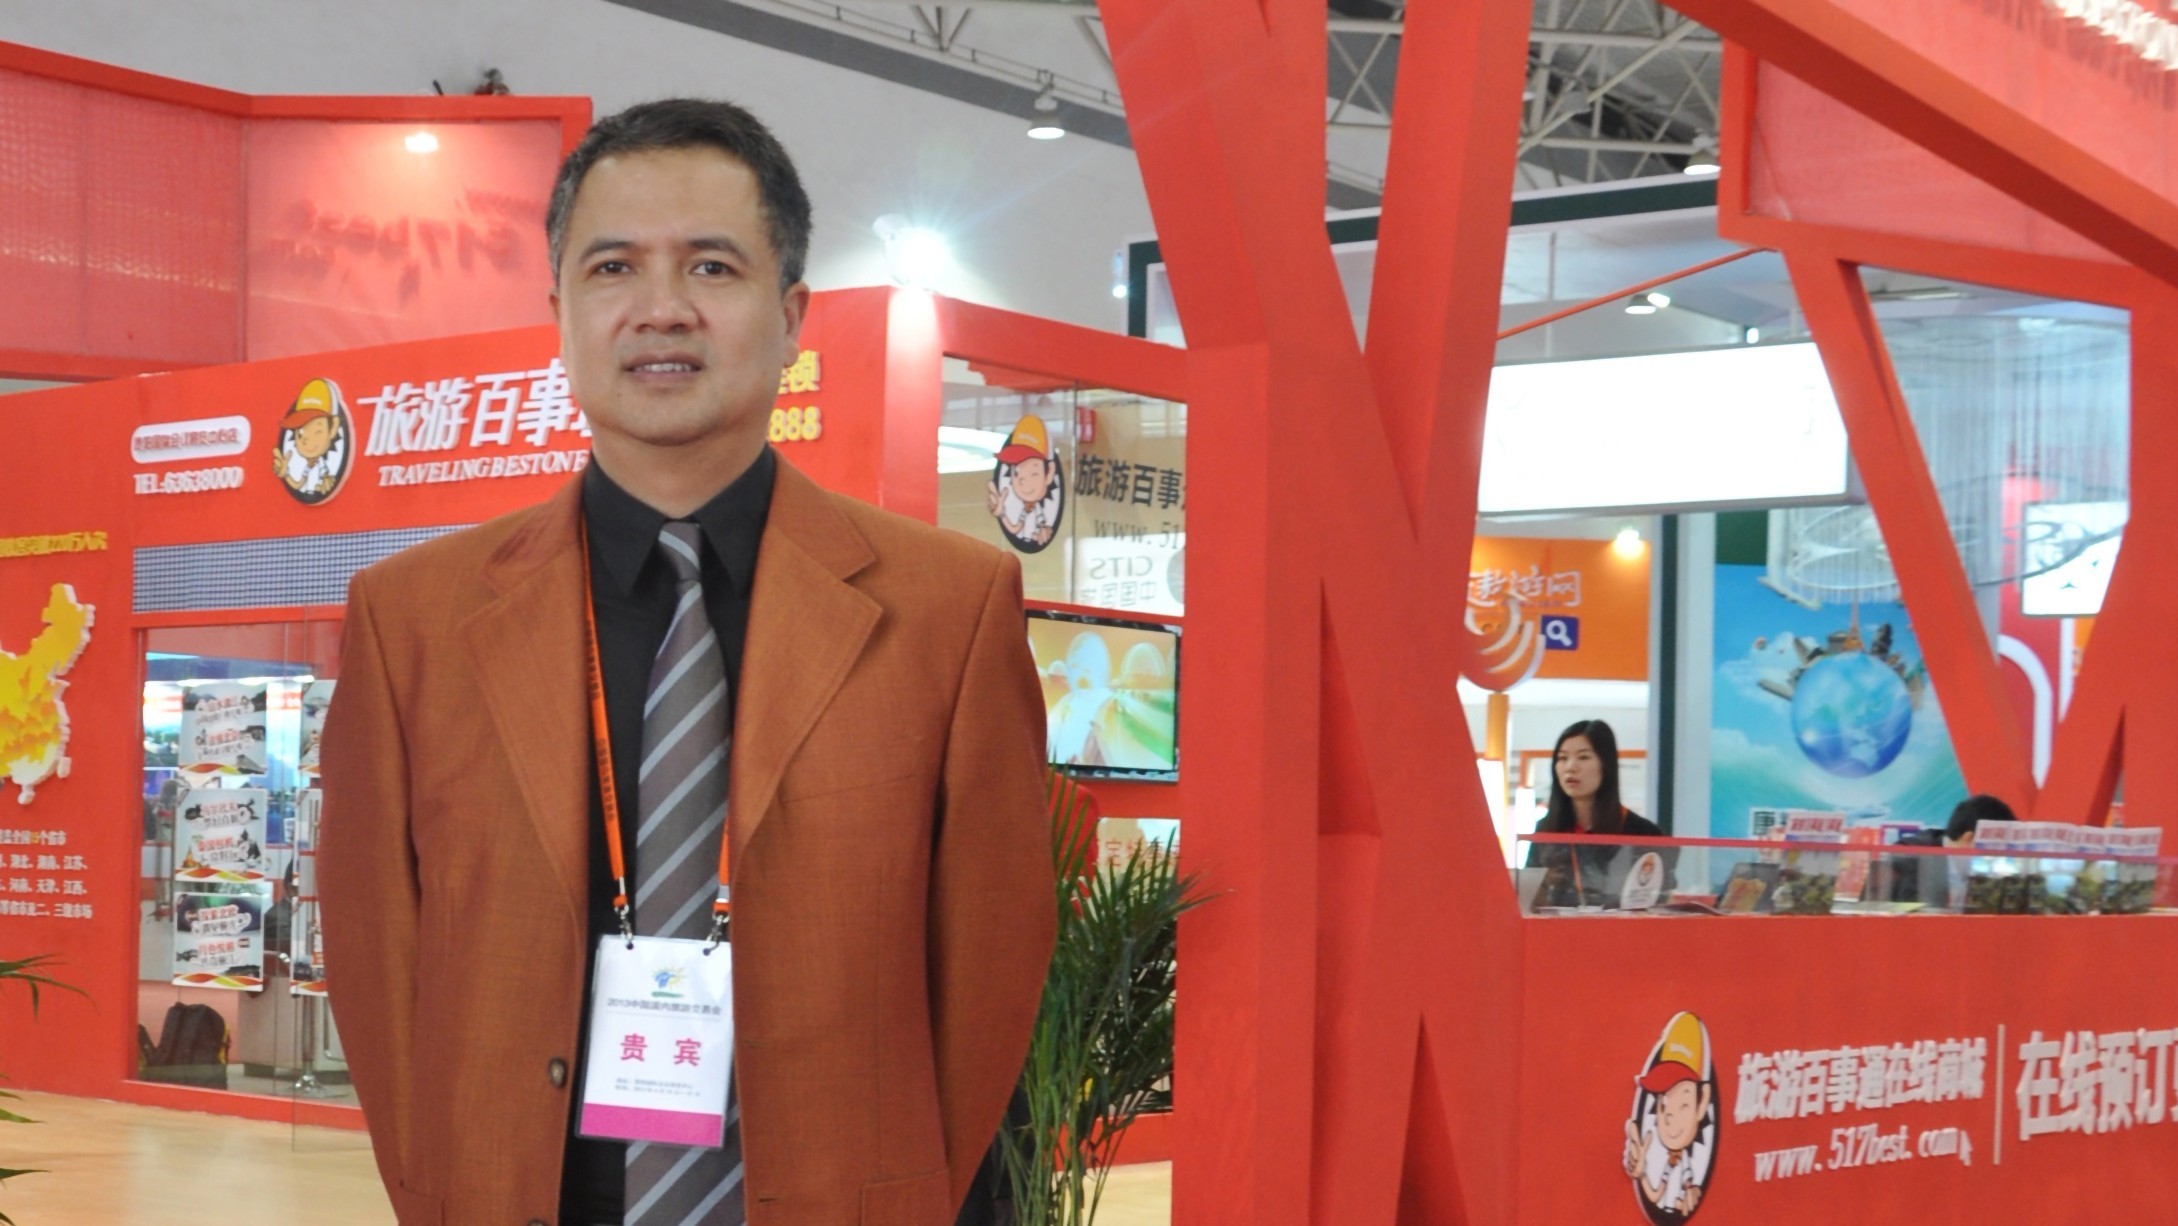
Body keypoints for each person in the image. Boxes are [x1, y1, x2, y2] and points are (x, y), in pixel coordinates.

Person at [318, 98, 1056, 1226]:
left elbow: (988, 970)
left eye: (712, 266)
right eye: (613, 267)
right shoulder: (410, 619)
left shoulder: (947, 610)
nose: (661, 308)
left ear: (791, 313)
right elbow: (379, 961)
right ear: (560, 311)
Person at [1524, 719, 1666, 906]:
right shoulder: (1545, 831)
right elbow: (1528, 901)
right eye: (1563, 758)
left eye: (1583, 757)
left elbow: (1660, 900)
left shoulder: (1642, 832)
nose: (1570, 767)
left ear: (1606, 765)